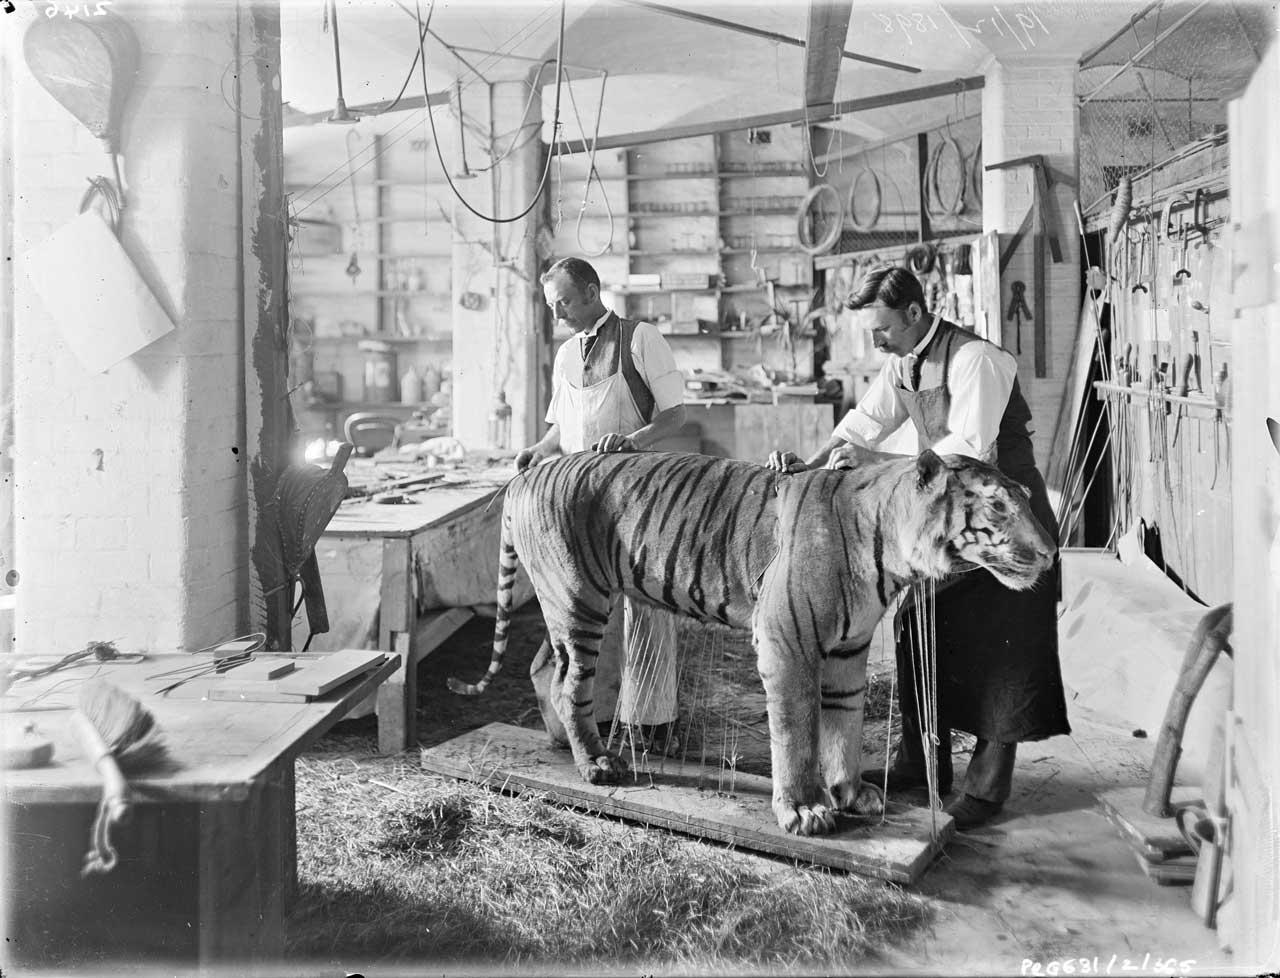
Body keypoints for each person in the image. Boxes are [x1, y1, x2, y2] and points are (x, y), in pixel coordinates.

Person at [767, 265, 1070, 829]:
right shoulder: (903, 362)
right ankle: (921, 761)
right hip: (950, 523)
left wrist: (880, 465)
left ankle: (986, 789)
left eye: (880, 328)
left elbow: (968, 449)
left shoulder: (976, 359)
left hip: (1003, 523)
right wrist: (806, 468)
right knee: (918, 627)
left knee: (1000, 653)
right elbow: (863, 423)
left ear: (913, 314)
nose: (874, 341)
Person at [520, 256, 688, 753]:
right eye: (553, 306)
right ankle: (598, 717)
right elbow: (562, 425)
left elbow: (676, 415)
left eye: (565, 303)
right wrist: (538, 449)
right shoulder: (567, 354)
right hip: (583, 500)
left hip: (637, 496)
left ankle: (654, 723)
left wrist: (632, 440)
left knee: (646, 604)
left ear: (592, 291)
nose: (559, 316)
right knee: (588, 608)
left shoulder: (641, 338)